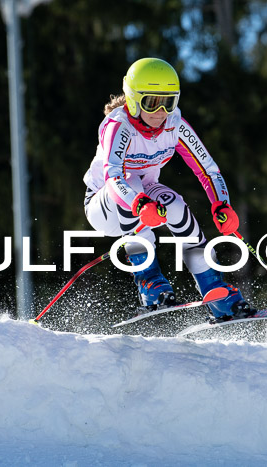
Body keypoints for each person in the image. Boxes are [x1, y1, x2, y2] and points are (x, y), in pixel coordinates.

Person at [83, 57, 256, 322]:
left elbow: (207, 169)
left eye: (169, 101)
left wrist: (221, 204)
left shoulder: (174, 124)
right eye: (152, 102)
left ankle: (216, 292)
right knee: (132, 181)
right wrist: (139, 204)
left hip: (145, 195)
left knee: (175, 204)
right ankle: (149, 283)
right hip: (104, 204)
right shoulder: (118, 126)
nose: (161, 111)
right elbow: (114, 175)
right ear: (133, 99)